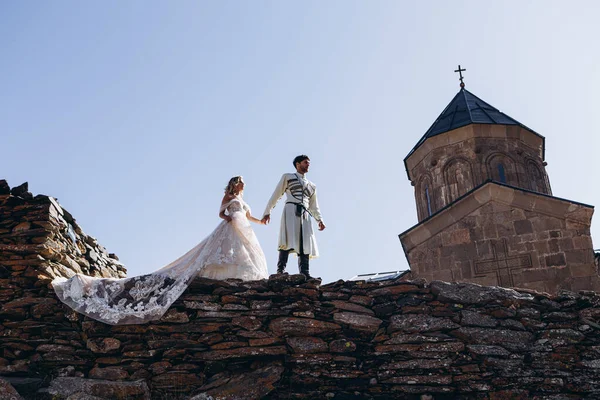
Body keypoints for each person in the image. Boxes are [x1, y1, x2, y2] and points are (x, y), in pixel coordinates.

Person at [52, 176, 268, 325]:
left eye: (243, 185)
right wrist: (229, 218)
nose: (243, 187)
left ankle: (234, 279)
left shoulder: (243, 202)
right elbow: (220, 214)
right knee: (214, 254)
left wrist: (262, 221)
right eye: (241, 184)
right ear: (235, 185)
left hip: (244, 229)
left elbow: (249, 217)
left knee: (242, 254)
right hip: (229, 227)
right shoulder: (229, 198)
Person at [262, 155, 325, 279]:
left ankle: (305, 273)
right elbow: (276, 194)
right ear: (298, 164)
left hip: (305, 213)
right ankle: (280, 270)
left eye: (309, 163)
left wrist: (320, 220)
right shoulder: (288, 177)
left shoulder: (312, 186)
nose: (308, 165)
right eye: (305, 162)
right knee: (287, 238)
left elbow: (314, 205)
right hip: (291, 210)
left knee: (305, 241)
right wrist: (267, 212)